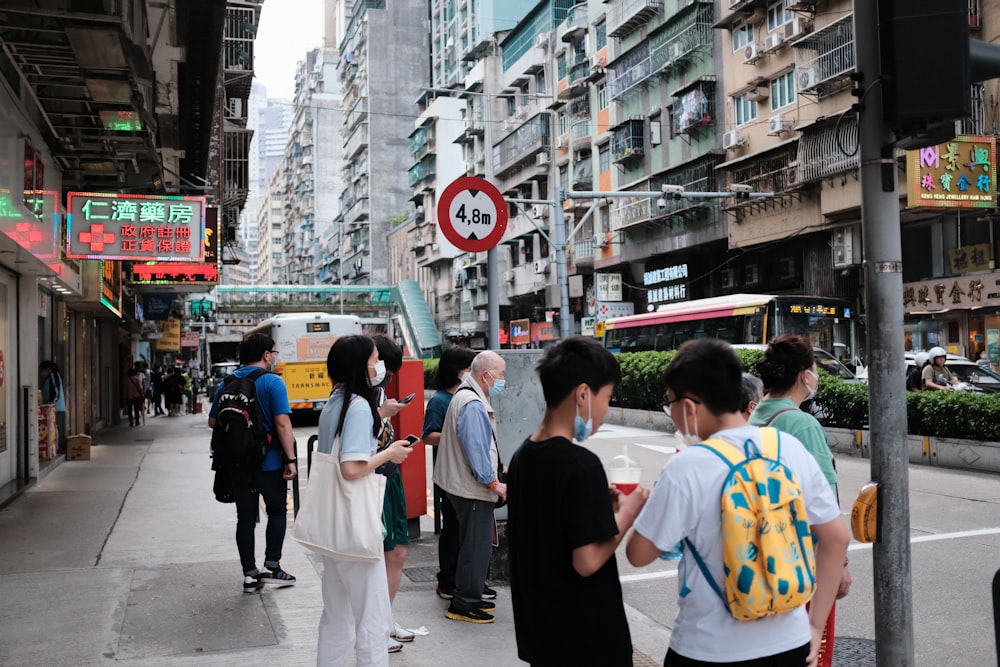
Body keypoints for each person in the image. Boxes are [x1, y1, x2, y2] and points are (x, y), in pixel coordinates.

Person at [626, 339, 849, 667]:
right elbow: (837, 538)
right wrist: (814, 625)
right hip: (791, 643)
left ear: (689, 407)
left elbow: (638, 554)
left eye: (670, 402)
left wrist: (635, 508)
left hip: (708, 649)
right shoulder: (788, 447)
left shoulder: (686, 466)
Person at [508, 336, 649, 665]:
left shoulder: (523, 456)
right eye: (607, 397)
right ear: (583, 394)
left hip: (541, 634)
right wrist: (627, 512)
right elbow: (586, 561)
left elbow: (555, 527)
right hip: (587, 640)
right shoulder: (580, 464)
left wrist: (605, 507)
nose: (606, 409)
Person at [749, 334, 852, 664]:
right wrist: (841, 565)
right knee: (811, 653)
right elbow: (826, 504)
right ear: (803, 375)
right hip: (804, 565)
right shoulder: (801, 423)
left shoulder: (754, 417)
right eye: (814, 368)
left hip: (760, 561)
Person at [315, 335, 413, 664]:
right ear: (360, 366)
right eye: (374, 359)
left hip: (334, 526)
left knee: (336, 617)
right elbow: (352, 467)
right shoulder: (357, 406)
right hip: (357, 526)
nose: (378, 366)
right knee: (370, 619)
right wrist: (390, 452)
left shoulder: (335, 401)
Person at [208, 334, 298, 593]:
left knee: (245, 519)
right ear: (267, 355)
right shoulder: (273, 382)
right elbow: (283, 424)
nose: (274, 357)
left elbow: (213, 422)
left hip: (236, 465)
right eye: (274, 353)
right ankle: (272, 567)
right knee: (277, 511)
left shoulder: (228, 383)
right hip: (269, 463)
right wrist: (290, 459)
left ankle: (249, 575)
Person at [432, 350, 507, 624]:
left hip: (459, 485)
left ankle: (468, 595)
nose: (502, 380)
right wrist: (493, 482)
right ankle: (464, 604)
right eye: (500, 375)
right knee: (476, 549)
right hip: (472, 489)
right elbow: (476, 450)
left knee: (470, 547)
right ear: (486, 375)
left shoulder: (463, 395)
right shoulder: (473, 403)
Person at [369, 334, 415, 648]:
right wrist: (383, 414)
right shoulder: (356, 399)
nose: (387, 374)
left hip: (389, 477)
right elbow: (352, 454)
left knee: (396, 551)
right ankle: (376, 628)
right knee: (382, 555)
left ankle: (384, 620)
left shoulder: (378, 392)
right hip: (374, 481)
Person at [422, 345, 478, 601]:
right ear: (457, 371)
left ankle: (469, 581)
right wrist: (459, 437)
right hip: (449, 475)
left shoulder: (467, 395)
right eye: (469, 368)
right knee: (453, 528)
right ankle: (447, 581)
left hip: (468, 473)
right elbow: (428, 436)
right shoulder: (439, 401)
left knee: (469, 530)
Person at [40, 361, 66, 452]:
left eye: (42, 371)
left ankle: (56, 447)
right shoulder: (53, 376)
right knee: (54, 426)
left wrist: (52, 402)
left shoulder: (53, 375)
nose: (41, 374)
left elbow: (56, 390)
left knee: (54, 426)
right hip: (56, 406)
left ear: (48, 369)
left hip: (56, 406)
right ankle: (56, 447)